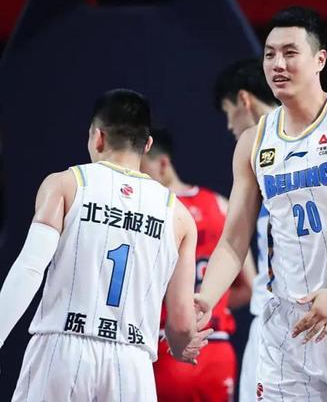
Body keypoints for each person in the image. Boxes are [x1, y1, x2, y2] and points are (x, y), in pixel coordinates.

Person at [196, 6, 327, 401]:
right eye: (270, 54)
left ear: (319, 60)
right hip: (286, 324)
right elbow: (233, 241)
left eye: (290, 53)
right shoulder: (253, 142)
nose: (278, 64)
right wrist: (204, 301)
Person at [0, 89, 209, 400]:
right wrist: (181, 345)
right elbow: (180, 324)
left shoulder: (65, 184)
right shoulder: (179, 215)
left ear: (97, 137)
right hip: (132, 364)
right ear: (147, 145)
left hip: (62, 349)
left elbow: (29, 269)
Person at [141, 128, 254, 401]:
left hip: (163, 345)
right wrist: (210, 305)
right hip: (216, 348)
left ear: (163, 164)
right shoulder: (220, 205)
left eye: (142, 169)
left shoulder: (149, 210)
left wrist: (180, 307)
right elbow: (250, 286)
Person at [213, 58, 279, 402]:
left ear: (244, 99)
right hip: (275, 314)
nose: (229, 125)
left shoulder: (280, 145)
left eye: (228, 112)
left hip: (295, 318)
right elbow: (233, 244)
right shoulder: (252, 154)